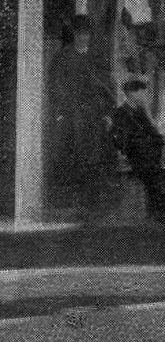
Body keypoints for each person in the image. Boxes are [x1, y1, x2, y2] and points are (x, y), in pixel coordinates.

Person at [45, 15, 115, 212]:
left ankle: (93, 203)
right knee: (72, 154)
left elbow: (107, 87)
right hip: (72, 114)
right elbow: (54, 87)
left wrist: (108, 113)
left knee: (96, 155)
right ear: (74, 34)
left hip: (95, 114)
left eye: (86, 34)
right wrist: (62, 110)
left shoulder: (97, 57)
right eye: (79, 34)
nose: (83, 37)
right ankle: (73, 203)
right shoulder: (62, 58)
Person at [110, 79, 165, 221]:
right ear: (131, 94)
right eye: (141, 93)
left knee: (157, 179)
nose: (144, 96)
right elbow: (121, 139)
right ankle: (156, 213)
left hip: (149, 153)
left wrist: (158, 140)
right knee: (153, 179)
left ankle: (158, 213)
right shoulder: (120, 113)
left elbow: (152, 131)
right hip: (137, 154)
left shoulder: (140, 110)